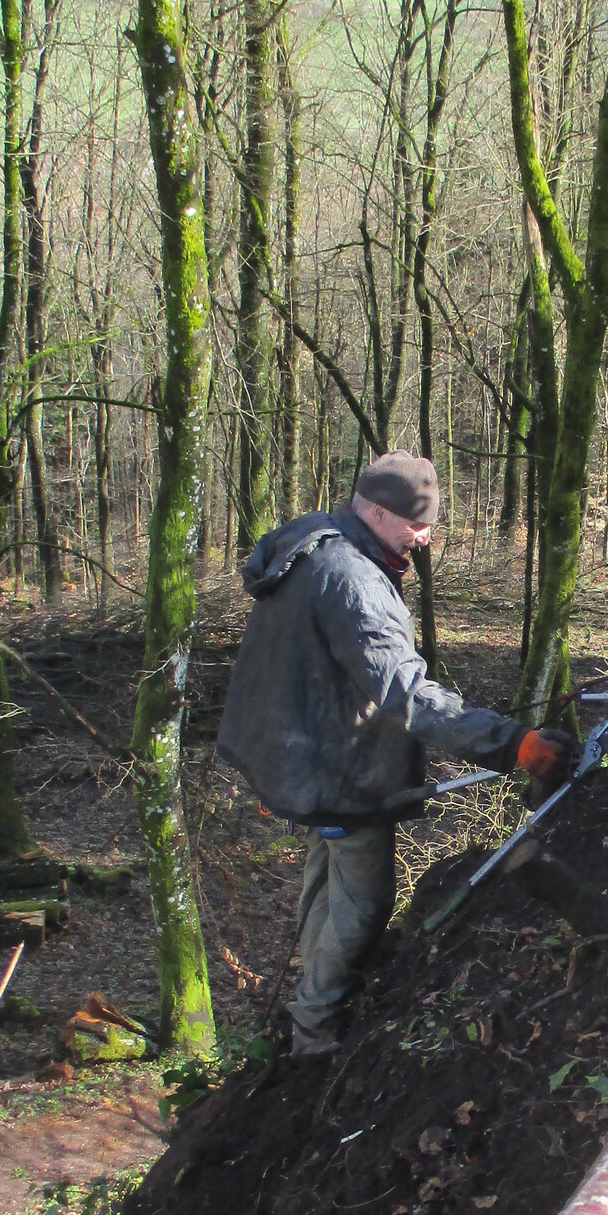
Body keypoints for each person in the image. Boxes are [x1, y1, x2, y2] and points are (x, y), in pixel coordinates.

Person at [218, 453, 573, 1057]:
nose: (424, 538)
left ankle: (311, 997)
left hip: (298, 749)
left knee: (326, 879)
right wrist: (513, 742)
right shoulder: (352, 579)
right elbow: (405, 692)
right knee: (364, 899)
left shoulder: (318, 542)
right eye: (416, 524)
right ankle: (317, 1026)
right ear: (376, 512)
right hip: (330, 764)